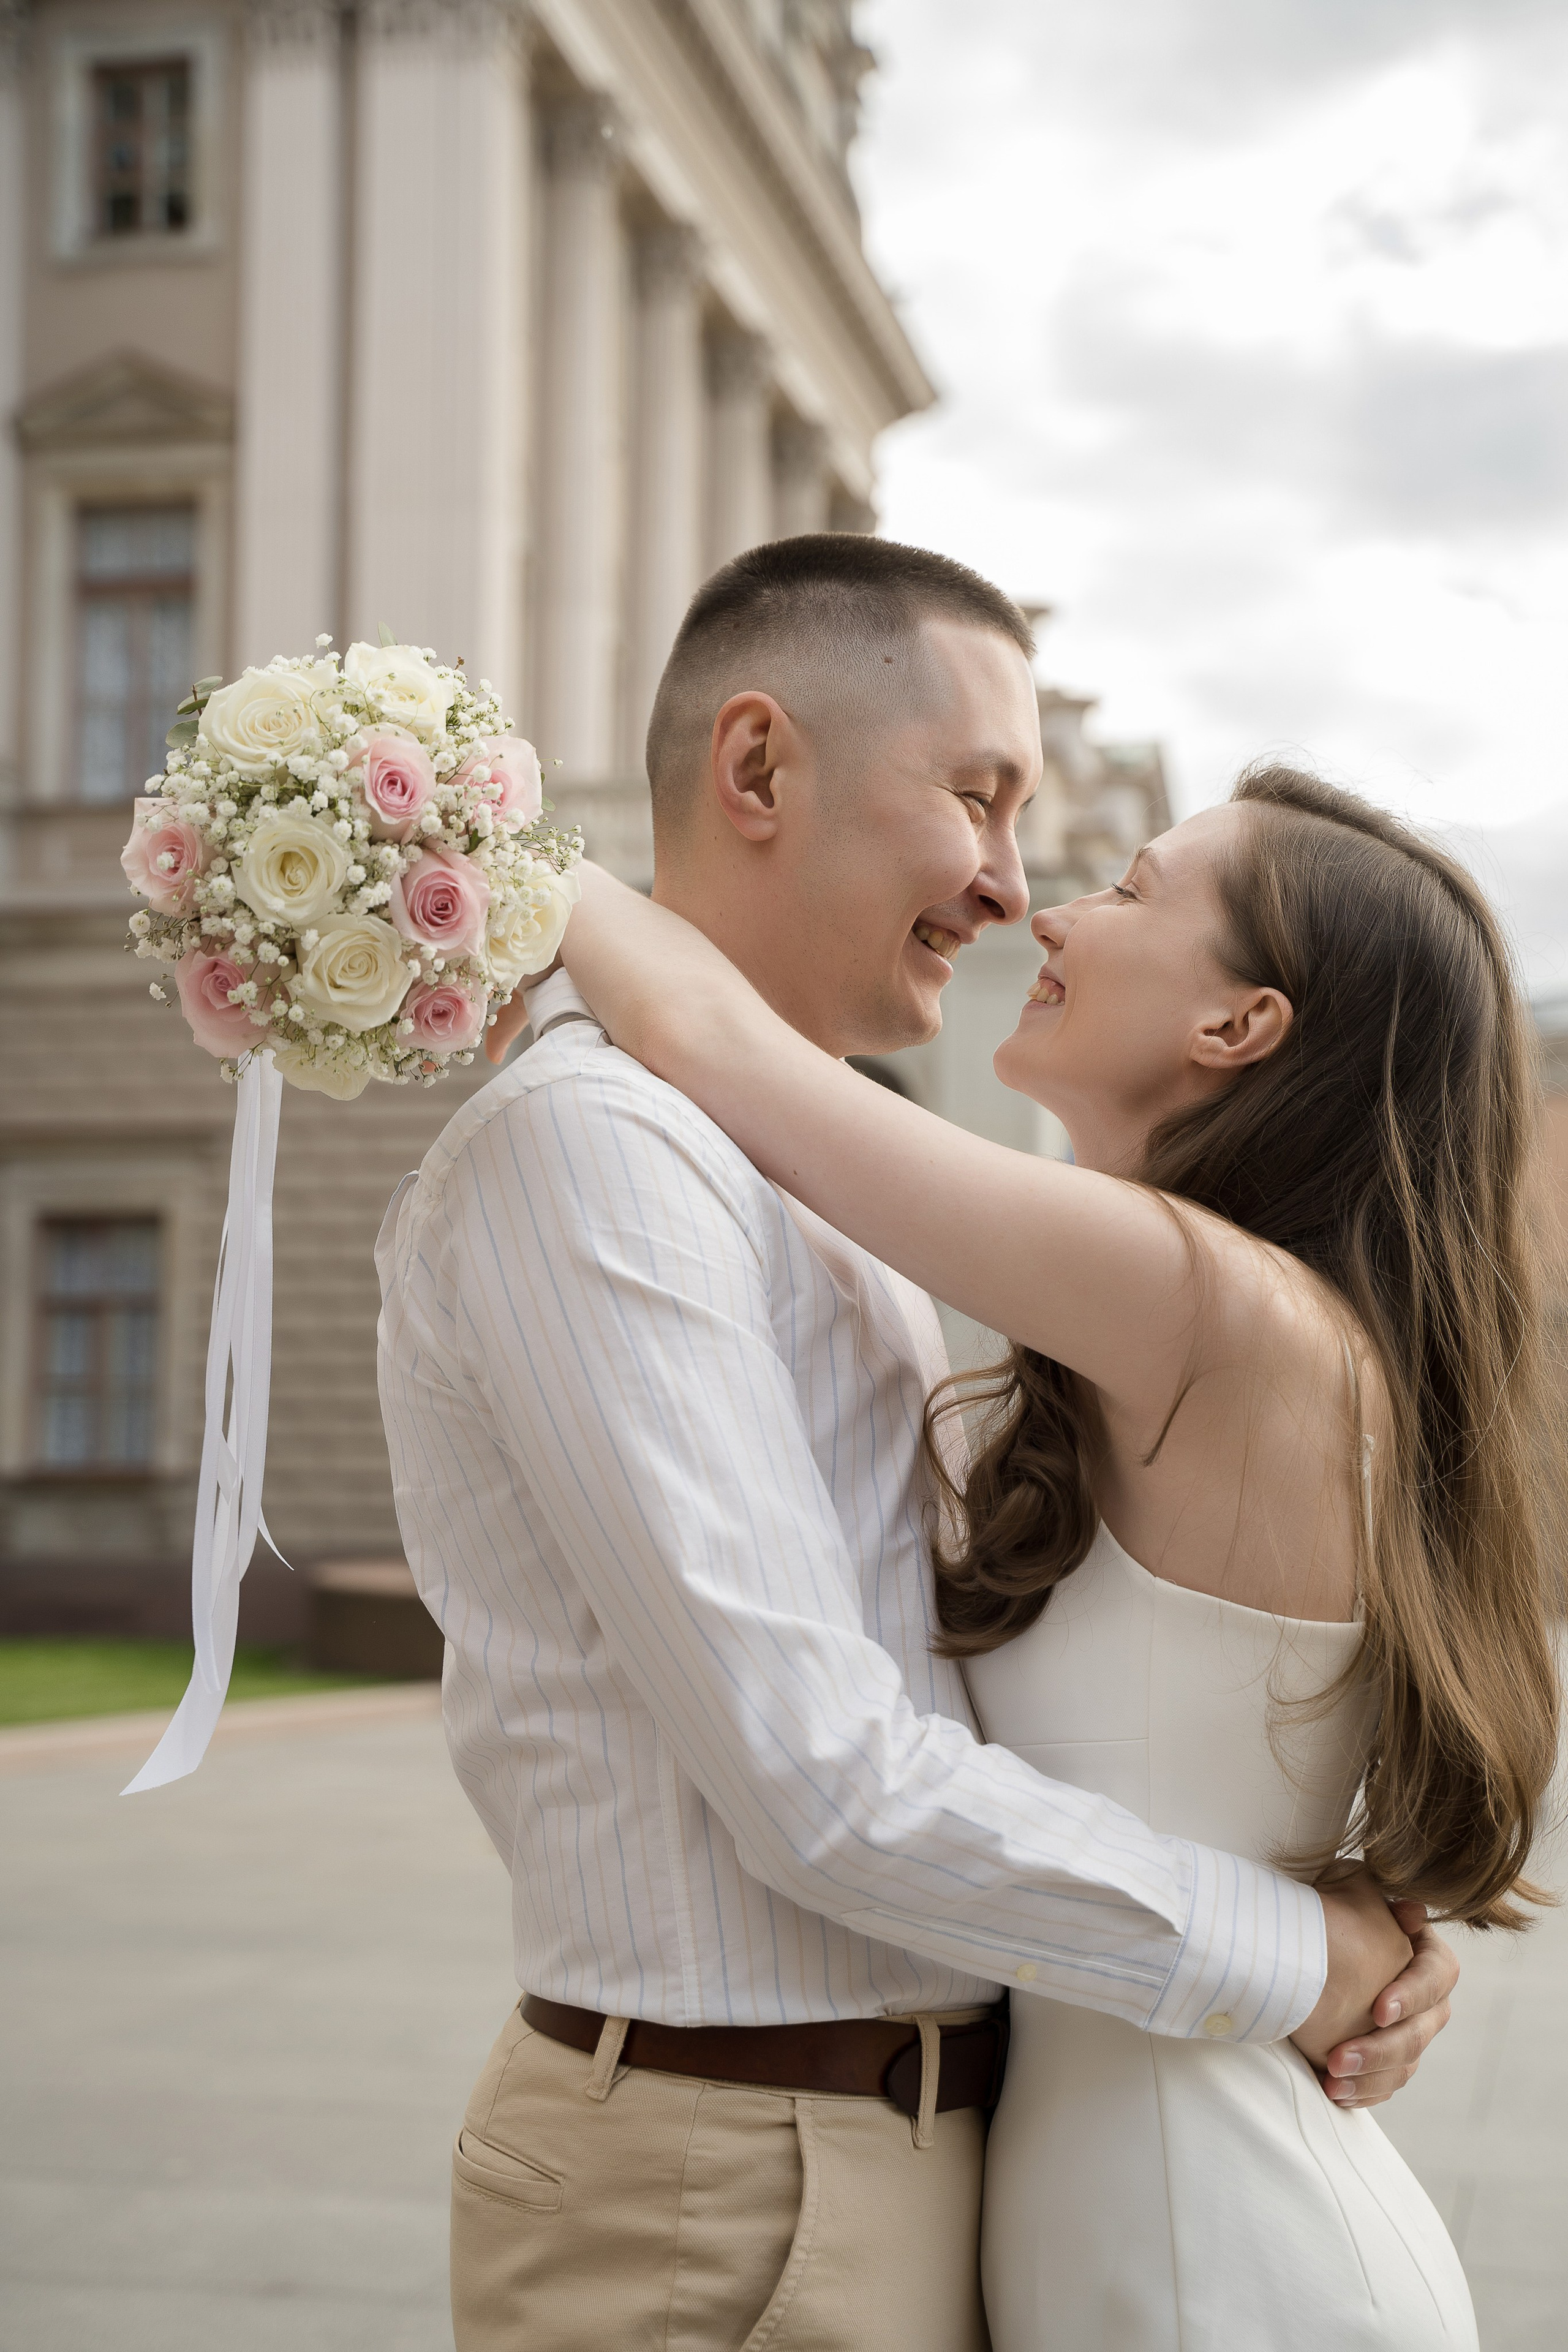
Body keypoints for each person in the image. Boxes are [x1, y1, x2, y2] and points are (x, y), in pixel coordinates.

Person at [376, 537, 1466, 2352]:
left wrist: (560, 890)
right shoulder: (604, 1150)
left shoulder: (905, 1207)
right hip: (736, 2182)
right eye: (981, 796)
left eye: (1089, 861)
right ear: (759, 772)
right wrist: (1318, 1949)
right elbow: (829, 1775)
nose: (1023, 896)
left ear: (1244, 1029)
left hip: (945, 2168)